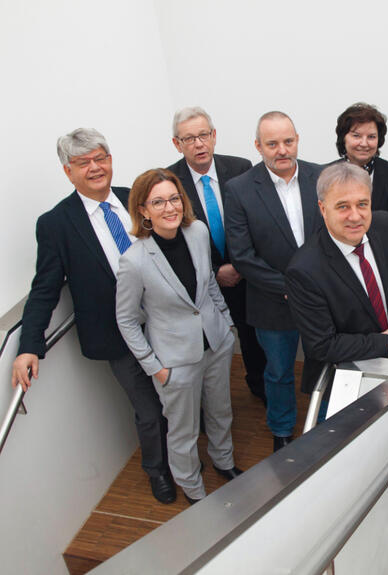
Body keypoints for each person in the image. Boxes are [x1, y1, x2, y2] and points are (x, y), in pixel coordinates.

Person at [10, 129, 174, 504]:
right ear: (68, 172)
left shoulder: (136, 199)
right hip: (116, 334)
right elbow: (45, 289)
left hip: (165, 321)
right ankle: (158, 470)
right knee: (147, 410)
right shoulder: (56, 224)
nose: (95, 167)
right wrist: (28, 346)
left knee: (178, 392)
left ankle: (185, 450)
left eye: (101, 158)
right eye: (84, 162)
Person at [284, 162, 388, 565]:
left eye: (362, 204)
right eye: (343, 207)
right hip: (349, 383)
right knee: (362, 468)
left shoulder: (383, 226)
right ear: (322, 208)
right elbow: (323, 345)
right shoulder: (304, 268)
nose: (355, 216)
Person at [115, 169, 242, 505]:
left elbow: (210, 283)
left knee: (220, 412)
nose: (169, 207)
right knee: (183, 431)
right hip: (174, 361)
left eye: (173, 198)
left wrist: (226, 325)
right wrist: (154, 367)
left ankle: (224, 462)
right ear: (143, 210)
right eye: (158, 202)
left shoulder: (197, 231)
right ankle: (192, 488)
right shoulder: (134, 260)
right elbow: (126, 320)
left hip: (215, 343)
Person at [225, 111, 322, 452]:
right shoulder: (238, 189)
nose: (282, 150)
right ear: (258, 146)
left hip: (322, 301)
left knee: (324, 365)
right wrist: (289, 288)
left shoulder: (321, 176)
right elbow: (242, 254)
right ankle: (281, 430)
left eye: (288, 141)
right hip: (271, 301)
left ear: (297, 140)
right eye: (272, 143)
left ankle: (325, 423)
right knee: (278, 372)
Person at [167, 106, 268, 404]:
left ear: (214, 136)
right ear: (177, 144)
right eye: (189, 139)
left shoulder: (240, 167)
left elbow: (256, 221)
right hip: (203, 284)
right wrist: (215, 270)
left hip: (246, 273)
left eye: (203, 135)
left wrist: (239, 264)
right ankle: (213, 403)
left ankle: (259, 387)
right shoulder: (170, 181)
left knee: (253, 339)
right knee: (212, 345)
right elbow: (175, 241)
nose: (198, 144)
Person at [333, 102, 388, 211]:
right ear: (343, 138)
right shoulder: (325, 175)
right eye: (356, 136)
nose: (364, 143)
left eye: (371, 137)